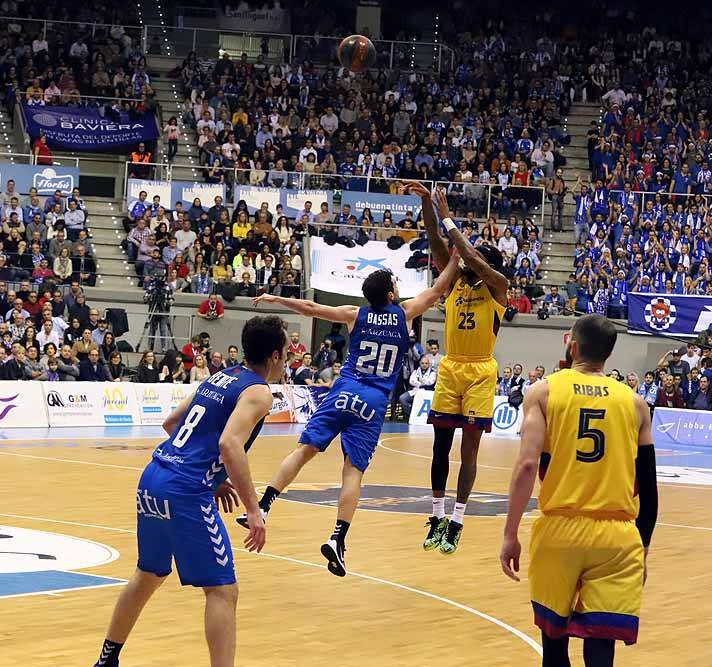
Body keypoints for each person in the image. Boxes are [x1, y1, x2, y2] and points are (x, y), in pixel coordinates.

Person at [236, 258, 457, 576]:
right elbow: (437, 289)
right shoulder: (405, 313)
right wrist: (454, 258)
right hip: (373, 400)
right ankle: (338, 538)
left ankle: (266, 505)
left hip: (344, 390)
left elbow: (311, 308)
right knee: (352, 472)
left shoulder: (355, 315)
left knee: (304, 451)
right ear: (391, 296)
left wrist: (277, 299)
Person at [92, 316, 288, 667]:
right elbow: (230, 444)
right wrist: (253, 508)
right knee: (223, 590)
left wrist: (210, 477)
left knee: (149, 574)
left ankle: (107, 659)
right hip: (184, 490)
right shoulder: (259, 392)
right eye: (286, 353)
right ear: (274, 356)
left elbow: (171, 423)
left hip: (153, 476)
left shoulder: (220, 376)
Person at [500, 315, 657, 667]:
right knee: (601, 647)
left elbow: (527, 466)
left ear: (571, 344)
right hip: (617, 538)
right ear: (609, 354)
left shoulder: (543, 391)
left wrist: (510, 534)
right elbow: (648, 487)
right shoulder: (635, 404)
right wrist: (642, 549)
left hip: (560, 530)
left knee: (554, 644)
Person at [410, 181, 508, 555]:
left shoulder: (498, 286)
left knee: (469, 451)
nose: (467, 261)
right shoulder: (455, 286)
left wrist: (450, 218)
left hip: (481, 371)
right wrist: (427, 206)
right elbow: (438, 244)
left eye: (475, 258)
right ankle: (437, 515)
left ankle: (458, 520)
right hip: (451, 369)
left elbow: (468, 253)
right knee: (440, 447)